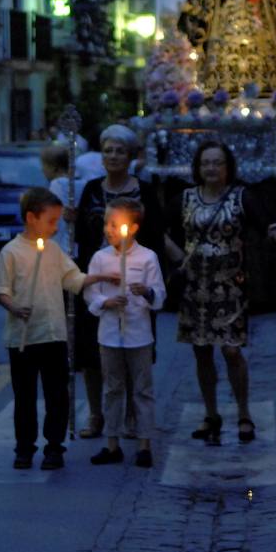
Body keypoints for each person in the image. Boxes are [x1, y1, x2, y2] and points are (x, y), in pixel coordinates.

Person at [176, 141, 276, 445]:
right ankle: (211, 413)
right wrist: (179, 258)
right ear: (198, 168)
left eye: (217, 163)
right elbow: (161, 230)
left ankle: (243, 413)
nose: (211, 169)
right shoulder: (186, 197)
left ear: (228, 167)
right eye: (206, 163)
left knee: (230, 350)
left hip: (229, 285)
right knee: (201, 351)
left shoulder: (242, 197)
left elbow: (268, 226)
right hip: (196, 287)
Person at [0, 188, 117, 470]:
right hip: (23, 337)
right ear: (30, 218)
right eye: (51, 220)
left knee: (57, 394)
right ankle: (24, 448)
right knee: (25, 397)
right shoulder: (10, 252)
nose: (56, 226)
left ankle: (54, 447)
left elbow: (72, 277)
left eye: (58, 220)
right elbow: (1, 290)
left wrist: (98, 277)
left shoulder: (53, 250)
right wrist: (14, 307)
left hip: (54, 334)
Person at [74, 125, 172, 439]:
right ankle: (96, 414)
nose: (113, 156)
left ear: (130, 157)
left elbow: (155, 235)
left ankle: (132, 415)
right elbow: (80, 238)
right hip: (98, 277)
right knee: (92, 353)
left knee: (133, 350)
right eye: (108, 150)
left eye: (119, 151)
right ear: (101, 156)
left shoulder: (143, 191)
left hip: (134, 281)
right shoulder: (90, 189)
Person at [85, 197, 165, 468]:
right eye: (107, 223)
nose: (109, 229)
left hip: (138, 334)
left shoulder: (147, 257)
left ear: (132, 228)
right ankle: (112, 442)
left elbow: (160, 295)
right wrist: (104, 303)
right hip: (109, 334)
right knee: (112, 388)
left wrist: (147, 293)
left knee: (142, 389)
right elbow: (90, 293)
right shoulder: (100, 258)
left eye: (115, 224)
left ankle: (144, 442)